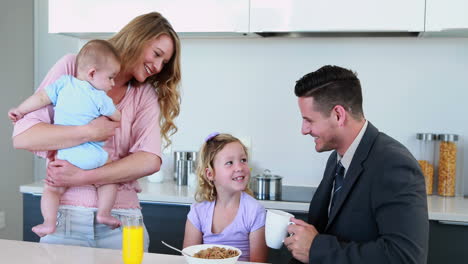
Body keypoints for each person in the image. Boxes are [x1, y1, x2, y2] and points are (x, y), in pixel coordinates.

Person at [11, 12, 181, 250]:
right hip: (64, 221)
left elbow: (150, 160)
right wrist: (89, 132)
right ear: (137, 39)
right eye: (156, 54)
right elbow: (23, 137)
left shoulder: (143, 94)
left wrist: (84, 177)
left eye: (164, 63)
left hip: (122, 222)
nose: (157, 66)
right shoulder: (73, 67)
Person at [284, 65, 429, 263]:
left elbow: (404, 257)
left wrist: (316, 249)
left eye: (309, 120)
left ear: (338, 115)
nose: (303, 129)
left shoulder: (394, 164)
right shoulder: (337, 158)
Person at [8, 39, 122, 237]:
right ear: (92, 73)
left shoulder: (63, 83)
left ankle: (49, 223)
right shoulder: (100, 97)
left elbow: (41, 99)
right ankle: (104, 213)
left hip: (66, 158)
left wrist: (20, 110)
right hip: (94, 158)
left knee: (52, 190)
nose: (113, 84)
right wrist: (111, 115)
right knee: (109, 179)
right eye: (111, 78)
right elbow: (117, 117)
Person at [183, 133, 268, 262]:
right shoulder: (198, 212)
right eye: (229, 163)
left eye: (243, 160)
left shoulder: (255, 211)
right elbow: (189, 258)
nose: (239, 167)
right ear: (210, 173)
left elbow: (258, 262)